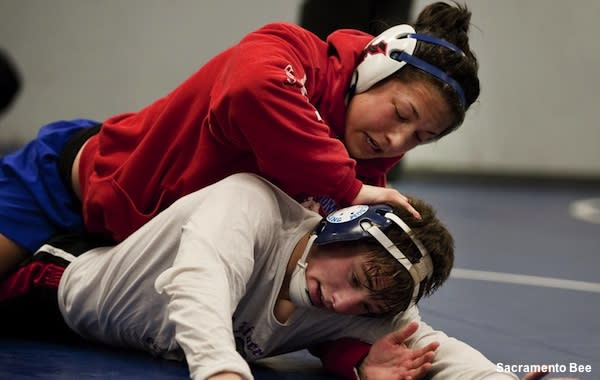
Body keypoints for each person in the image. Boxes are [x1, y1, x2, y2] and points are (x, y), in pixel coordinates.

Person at [0, 1, 480, 280]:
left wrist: (362, 357)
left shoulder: (366, 165)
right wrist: (346, 186)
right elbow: (252, 88)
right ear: (375, 67)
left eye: (421, 137)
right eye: (401, 114)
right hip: (62, 188)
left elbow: (333, 276)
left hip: (132, 256)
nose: (396, 140)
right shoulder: (290, 51)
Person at [0, 173, 546, 380]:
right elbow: (199, 279)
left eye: (367, 304)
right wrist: (222, 372)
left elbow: (433, 346)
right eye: (355, 276)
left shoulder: (368, 302)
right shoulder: (253, 205)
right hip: (53, 284)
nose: (343, 303)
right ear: (344, 229)